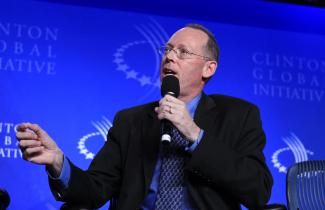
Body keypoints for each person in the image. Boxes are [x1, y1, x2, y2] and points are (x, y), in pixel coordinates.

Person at [16, 24, 273, 210]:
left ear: (209, 68)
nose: (170, 57)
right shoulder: (131, 121)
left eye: (183, 52)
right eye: (167, 50)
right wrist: (58, 163)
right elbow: (94, 191)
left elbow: (257, 190)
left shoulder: (238, 116)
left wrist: (194, 134)